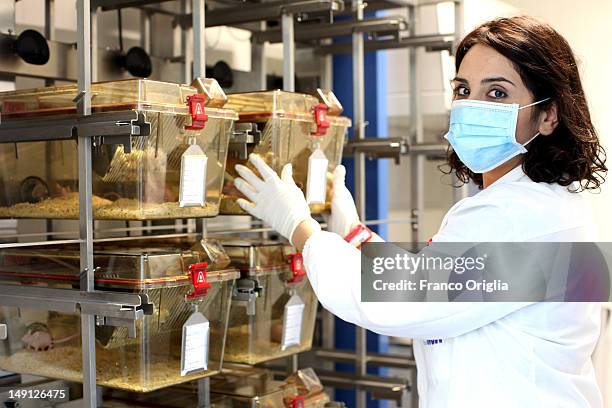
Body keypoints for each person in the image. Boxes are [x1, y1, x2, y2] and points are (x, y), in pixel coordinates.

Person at [233, 16, 607, 407]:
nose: (471, 106)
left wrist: (300, 227)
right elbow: (438, 281)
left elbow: (401, 301)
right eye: (463, 89)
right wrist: (356, 237)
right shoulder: (548, 203)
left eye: (497, 94)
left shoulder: (516, 217)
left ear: (549, 115)